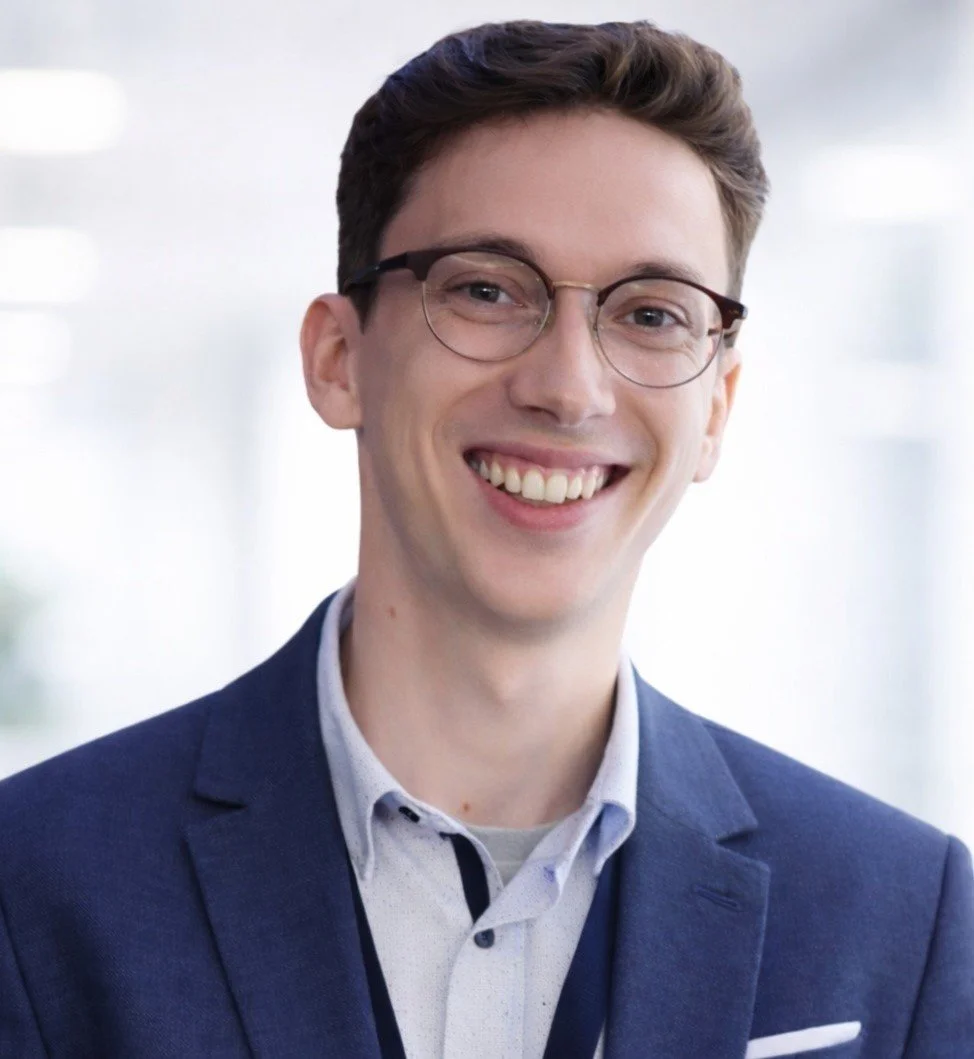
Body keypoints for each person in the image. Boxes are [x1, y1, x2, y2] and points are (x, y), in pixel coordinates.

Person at [0, 19, 971, 1059]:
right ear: (338, 357)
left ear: (716, 409)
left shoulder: (901, 918)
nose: (566, 386)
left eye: (650, 314)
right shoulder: (38, 884)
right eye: (485, 289)